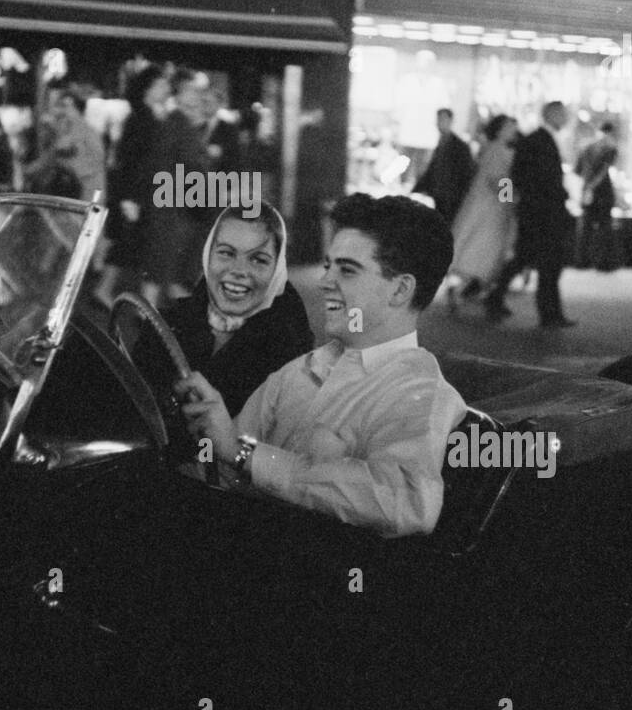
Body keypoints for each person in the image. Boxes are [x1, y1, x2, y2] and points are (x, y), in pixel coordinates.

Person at [177, 194, 466, 537]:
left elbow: (405, 502)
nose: (325, 281)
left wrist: (245, 455)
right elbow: (217, 467)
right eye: (328, 266)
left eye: (346, 270)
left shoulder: (420, 392)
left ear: (400, 290)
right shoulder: (299, 371)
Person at [135, 203, 314, 417]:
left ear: (277, 269)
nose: (238, 270)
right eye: (226, 253)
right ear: (207, 256)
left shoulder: (293, 353)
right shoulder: (163, 326)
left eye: (258, 259)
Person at [484, 101, 575, 328]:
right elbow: (507, 178)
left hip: (533, 211)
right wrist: (509, 200)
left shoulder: (532, 141)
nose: (566, 118)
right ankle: (549, 313)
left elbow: (513, 177)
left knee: (525, 257)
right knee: (547, 263)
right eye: (562, 114)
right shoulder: (535, 142)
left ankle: (498, 297)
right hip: (541, 213)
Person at [98, 64, 170, 303]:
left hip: (140, 193)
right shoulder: (142, 118)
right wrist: (130, 198)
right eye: (161, 85)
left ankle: (109, 291)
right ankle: (111, 292)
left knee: (128, 245)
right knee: (130, 245)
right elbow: (131, 161)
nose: (166, 89)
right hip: (137, 194)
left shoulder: (147, 115)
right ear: (148, 89)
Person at [142, 68, 214, 306]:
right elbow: (192, 164)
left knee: (166, 262)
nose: (198, 96)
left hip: (170, 201)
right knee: (166, 261)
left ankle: (150, 313)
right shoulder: (178, 123)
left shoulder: (175, 122)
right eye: (193, 91)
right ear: (181, 94)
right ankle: (147, 316)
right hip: (173, 204)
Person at [447, 114, 518, 307]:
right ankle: (467, 287)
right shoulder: (498, 150)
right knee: (484, 246)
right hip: (491, 208)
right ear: (501, 129)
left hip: (488, 204)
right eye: (511, 127)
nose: (514, 131)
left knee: (480, 244)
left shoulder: (494, 149)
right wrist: (510, 199)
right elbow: (497, 179)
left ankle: (467, 287)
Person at [412, 108, 475, 225]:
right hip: (441, 195)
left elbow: (465, 174)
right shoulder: (444, 143)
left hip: (450, 197)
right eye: (439, 119)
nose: (439, 123)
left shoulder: (459, 147)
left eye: (442, 119)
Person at [574, 121, 618, 271]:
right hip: (602, 192)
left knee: (586, 226)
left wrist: (587, 187)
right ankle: (602, 262)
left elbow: (578, 170)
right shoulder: (610, 148)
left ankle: (582, 260)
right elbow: (604, 172)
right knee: (604, 227)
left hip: (587, 190)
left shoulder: (585, 147)